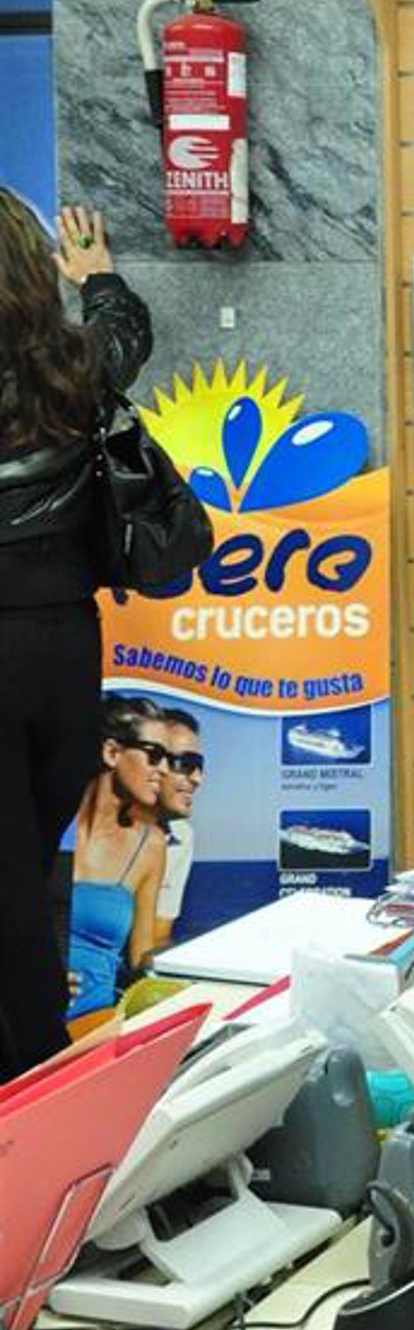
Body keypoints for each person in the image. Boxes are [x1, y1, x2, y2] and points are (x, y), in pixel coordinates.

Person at [0, 196, 153, 1078]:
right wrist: (97, 277)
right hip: (64, 647)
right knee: (24, 863)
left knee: (12, 882)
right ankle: (40, 1068)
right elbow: (127, 333)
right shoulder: (72, 367)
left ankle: (35, 1070)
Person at [67, 693, 170, 1015]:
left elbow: (141, 960)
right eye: (154, 755)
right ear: (112, 752)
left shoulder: (151, 846)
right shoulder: (37, 827)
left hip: (93, 1027)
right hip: (21, 1025)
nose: (164, 770)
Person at [151, 703, 205, 948]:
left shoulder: (181, 837)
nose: (197, 779)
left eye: (200, 766)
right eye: (186, 763)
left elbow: (157, 937)